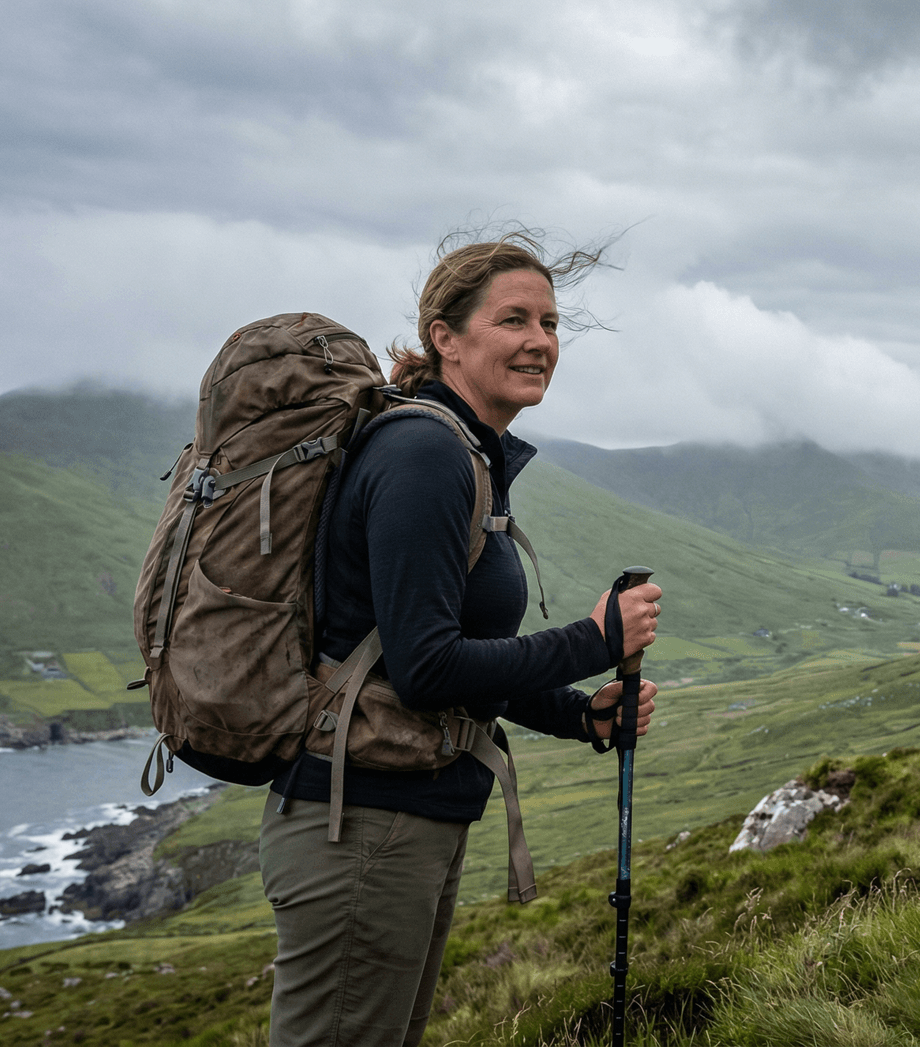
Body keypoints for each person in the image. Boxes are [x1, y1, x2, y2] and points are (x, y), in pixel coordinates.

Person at [259, 231, 664, 1047]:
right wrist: (596, 638)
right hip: (362, 824)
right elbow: (426, 667)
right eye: (514, 318)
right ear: (445, 336)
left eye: (550, 323)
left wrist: (578, 715)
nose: (540, 341)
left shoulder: (461, 451)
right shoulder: (424, 453)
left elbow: (450, 651)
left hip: (404, 812)